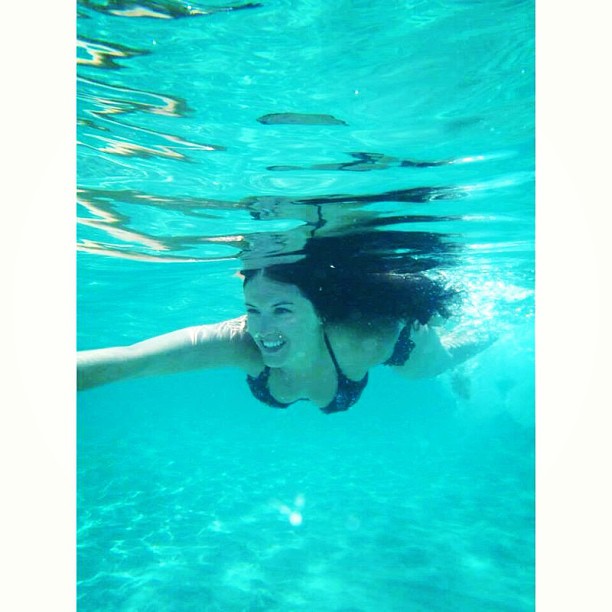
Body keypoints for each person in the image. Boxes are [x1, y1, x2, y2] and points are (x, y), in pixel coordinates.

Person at [77, 231, 492, 413]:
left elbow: (410, 315)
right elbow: (132, 360)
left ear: (320, 313)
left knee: (431, 366)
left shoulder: (365, 341)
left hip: (399, 342)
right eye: (252, 310)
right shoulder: (239, 342)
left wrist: (428, 323)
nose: (261, 329)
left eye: (282, 310)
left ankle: (497, 330)